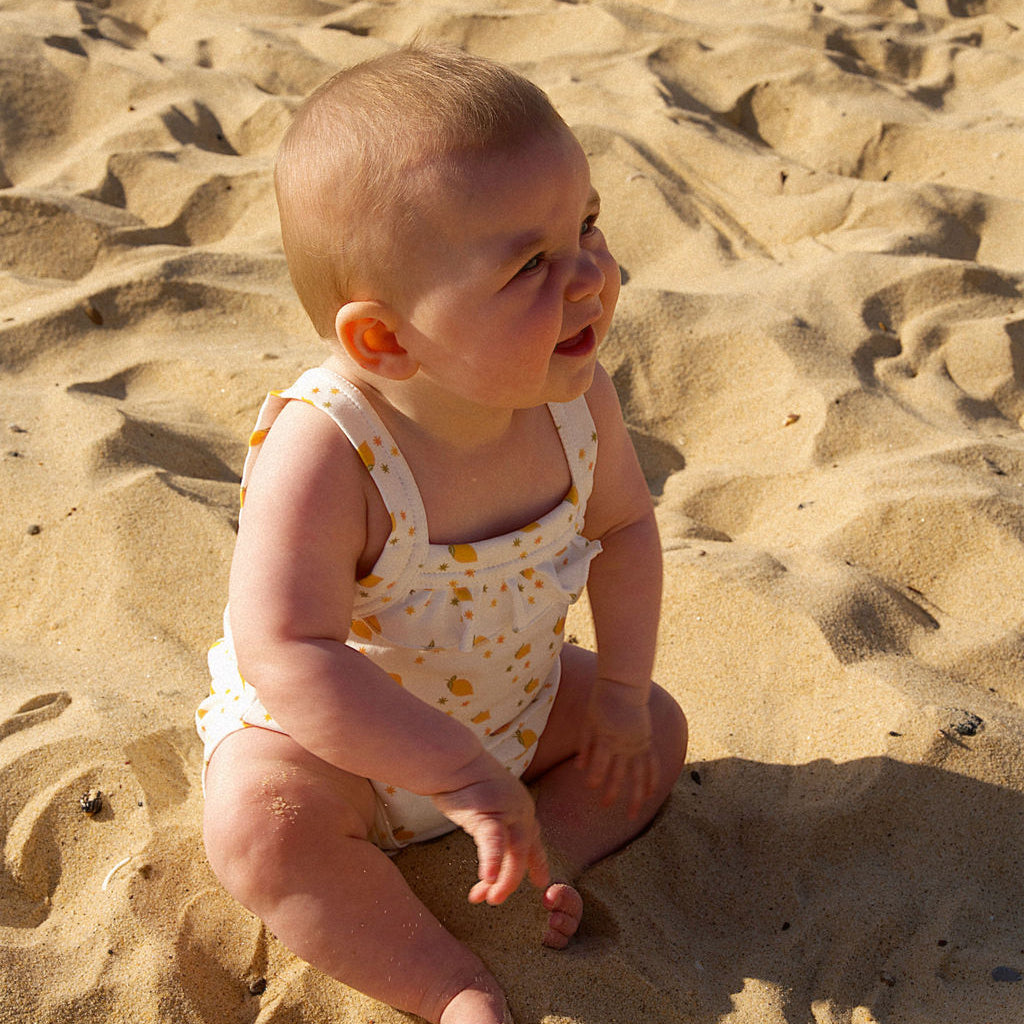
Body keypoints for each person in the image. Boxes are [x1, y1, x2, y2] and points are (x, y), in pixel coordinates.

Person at [196, 43, 687, 1024]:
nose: (589, 275)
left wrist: (623, 694)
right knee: (260, 828)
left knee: (656, 734)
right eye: (529, 265)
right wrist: (456, 771)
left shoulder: (575, 402)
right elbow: (289, 653)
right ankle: (443, 979)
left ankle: (534, 859)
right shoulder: (331, 448)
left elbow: (626, 529)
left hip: (512, 707)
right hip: (339, 749)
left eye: (586, 223)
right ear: (385, 340)